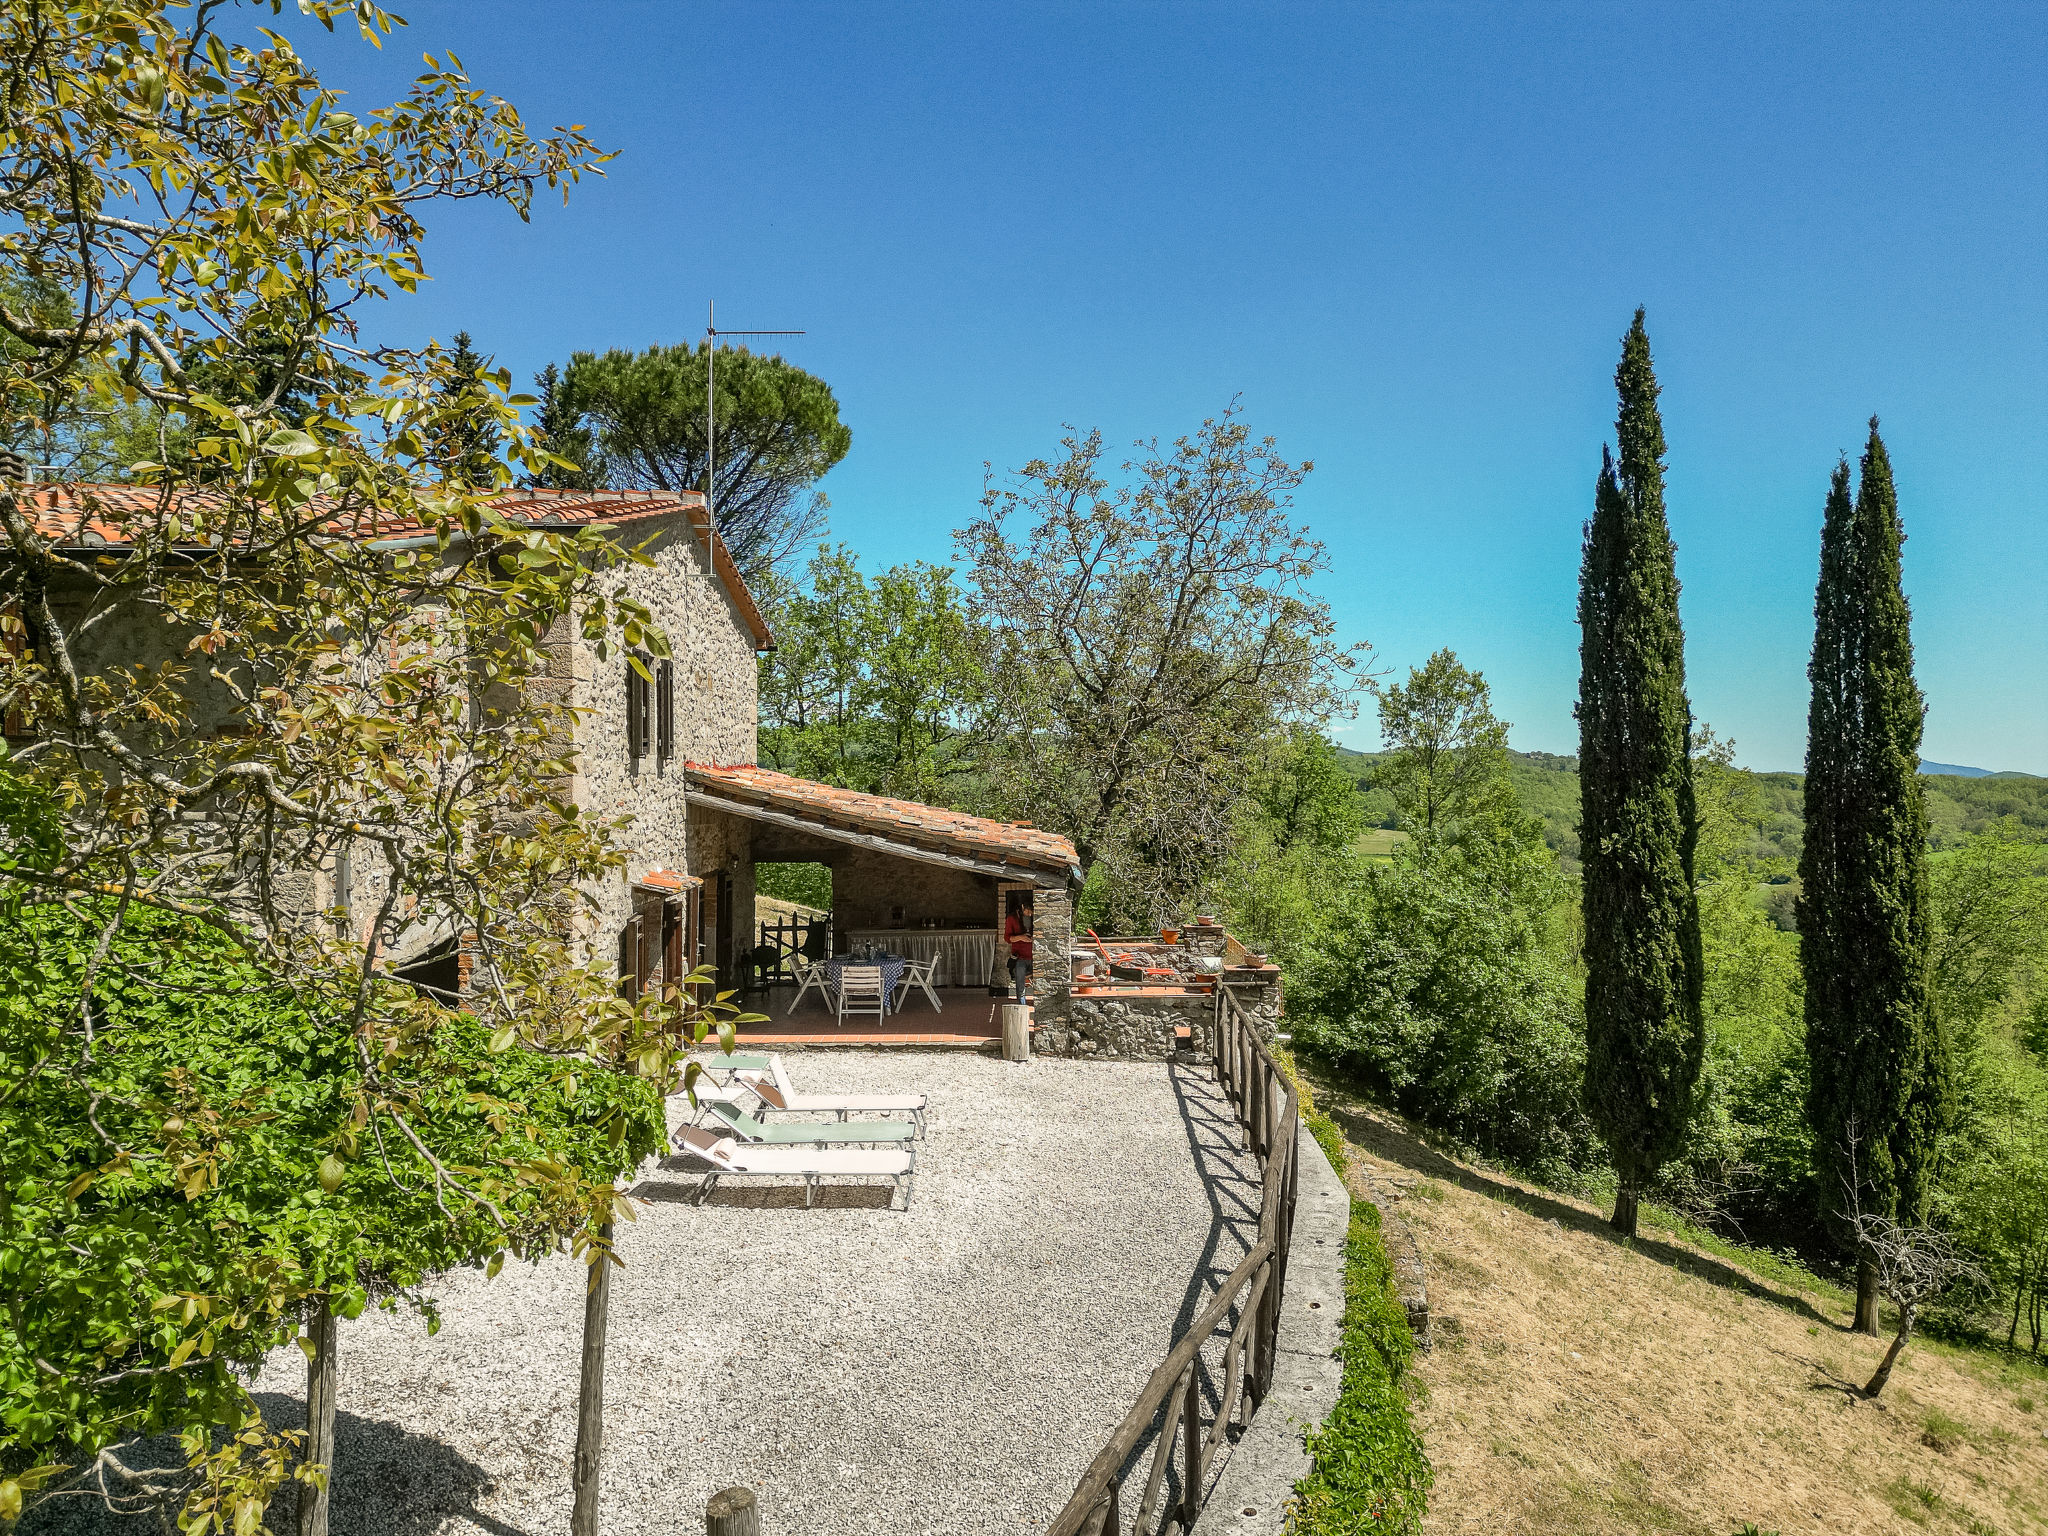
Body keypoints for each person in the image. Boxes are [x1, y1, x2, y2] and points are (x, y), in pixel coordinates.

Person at [1004, 889, 1034, 1001]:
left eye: (1032, 911)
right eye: (1028, 911)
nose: (1030, 914)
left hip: (1035, 956)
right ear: (1022, 907)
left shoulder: (1034, 917)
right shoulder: (1011, 919)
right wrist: (1021, 937)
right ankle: (1022, 1010)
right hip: (1019, 957)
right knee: (1020, 987)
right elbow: (1007, 938)